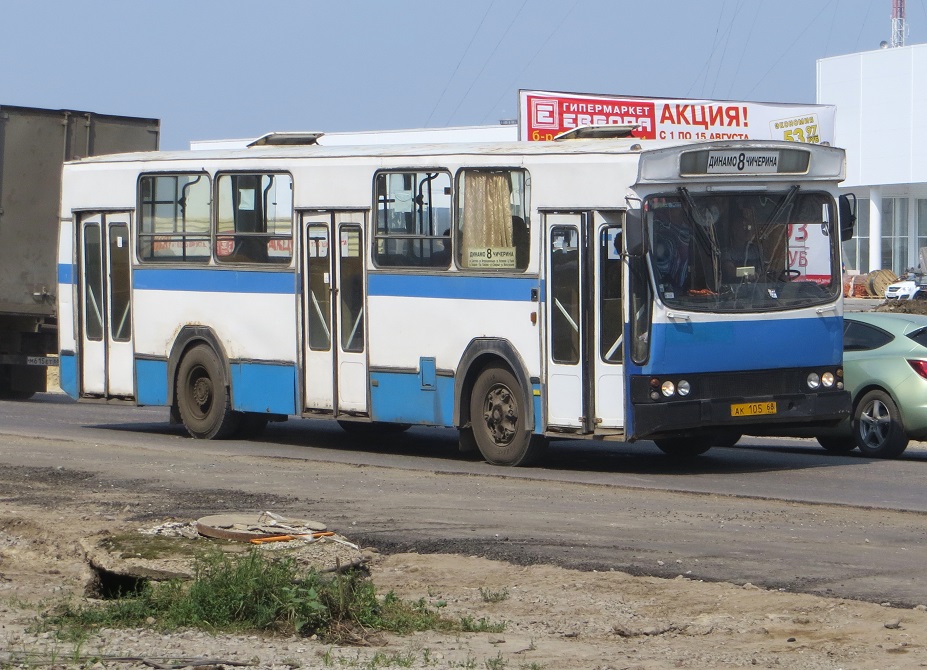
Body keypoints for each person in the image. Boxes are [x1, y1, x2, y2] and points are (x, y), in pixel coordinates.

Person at [721, 201, 763, 282]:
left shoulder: (756, 250)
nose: (747, 230)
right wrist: (750, 273)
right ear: (734, 229)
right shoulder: (726, 252)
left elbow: (763, 268)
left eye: (749, 227)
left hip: (755, 290)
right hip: (733, 290)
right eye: (743, 227)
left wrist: (758, 273)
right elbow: (730, 271)